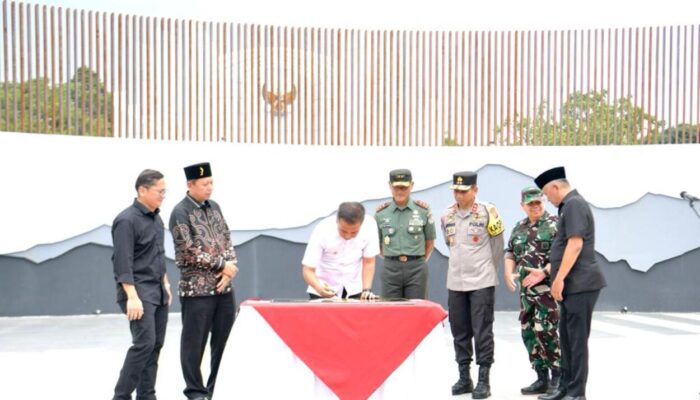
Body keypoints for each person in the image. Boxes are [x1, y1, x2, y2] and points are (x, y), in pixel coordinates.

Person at [534, 167, 606, 400]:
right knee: (566, 339)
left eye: (546, 193)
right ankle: (565, 388)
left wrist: (559, 279)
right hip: (573, 285)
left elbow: (575, 244)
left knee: (576, 341)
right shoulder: (569, 206)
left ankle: (576, 393)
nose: (547, 198)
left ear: (555, 187)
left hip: (580, 284)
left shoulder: (574, 204)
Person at [169, 162, 239, 400]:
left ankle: (216, 387)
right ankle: (195, 391)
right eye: (204, 184)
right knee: (194, 344)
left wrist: (229, 269)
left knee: (224, 341)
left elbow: (226, 236)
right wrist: (222, 265)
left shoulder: (215, 207)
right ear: (190, 185)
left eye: (211, 183)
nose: (209, 188)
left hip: (223, 288)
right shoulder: (180, 212)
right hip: (196, 291)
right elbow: (187, 250)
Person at [440, 171, 504, 399]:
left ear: (475, 190)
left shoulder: (488, 212)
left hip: (482, 281)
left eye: (463, 191)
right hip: (456, 281)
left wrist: (487, 269)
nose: (459, 194)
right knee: (459, 330)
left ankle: (484, 380)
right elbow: (451, 245)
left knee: (482, 331)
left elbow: (498, 246)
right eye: (456, 190)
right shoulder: (446, 214)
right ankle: (464, 377)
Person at [111, 169, 172, 400]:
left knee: (155, 346)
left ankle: (147, 396)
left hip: (157, 291)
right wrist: (132, 296)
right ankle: (121, 396)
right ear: (142, 190)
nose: (163, 196)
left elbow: (157, 254)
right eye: (160, 191)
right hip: (137, 292)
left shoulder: (156, 218)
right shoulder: (126, 220)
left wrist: (165, 282)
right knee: (143, 345)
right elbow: (122, 261)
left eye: (165, 191)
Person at [504, 187, 561, 395]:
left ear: (543, 202)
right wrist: (508, 273)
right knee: (529, 332)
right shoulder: (519, 228)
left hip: (547, 291)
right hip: (526, 294)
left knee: (546, 331)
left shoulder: (555, 224)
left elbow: (562, 257)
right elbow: (510, 252)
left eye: (538, 202)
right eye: (531, 204)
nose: (535, 207)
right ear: (523, 206)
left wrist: (544, 271)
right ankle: (541, 377)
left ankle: (557, 377)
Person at [374, 169, 436, 299]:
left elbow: (429, 241)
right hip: (391, 267)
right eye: (396, 187)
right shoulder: (381, 213)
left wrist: (417, 260)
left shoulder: (423, 211)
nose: (400, 191)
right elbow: (377, 244)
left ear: (411, 185)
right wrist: (392, 256)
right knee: (390, 311)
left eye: (404, 187)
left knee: (417, 311)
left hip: (416, 268)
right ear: (390, 186)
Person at [302, 202, 380, 300]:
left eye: (354, 232)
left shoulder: (370, 226)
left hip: (354, 288)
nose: (347, 235)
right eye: (343, 230)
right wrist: (319, 288)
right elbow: (308, 269)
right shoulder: (323, 229)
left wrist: (366, 290)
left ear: (362, 223)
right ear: (337, 221)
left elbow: (369, 262)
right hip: (323, 288)